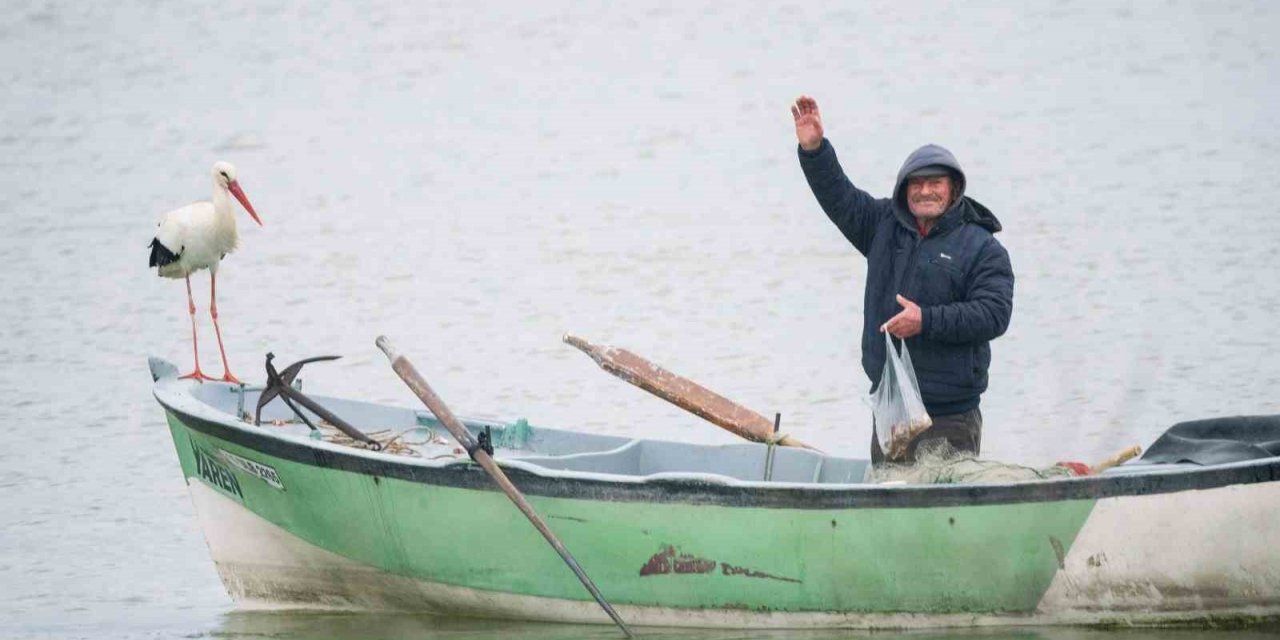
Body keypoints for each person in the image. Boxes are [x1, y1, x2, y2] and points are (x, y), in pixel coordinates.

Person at [790, 95, 1014, 464]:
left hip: (950, 416)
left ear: (954, 188)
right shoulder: (881, 226)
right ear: (904, 189)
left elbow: (994, 315)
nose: (925, 191)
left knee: (944, 516)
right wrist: (814, 149)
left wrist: (925, 320)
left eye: (935, 183)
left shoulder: (982, 247)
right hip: (891, 410)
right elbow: (839, 197)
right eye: (917, 183)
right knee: (888, 508)